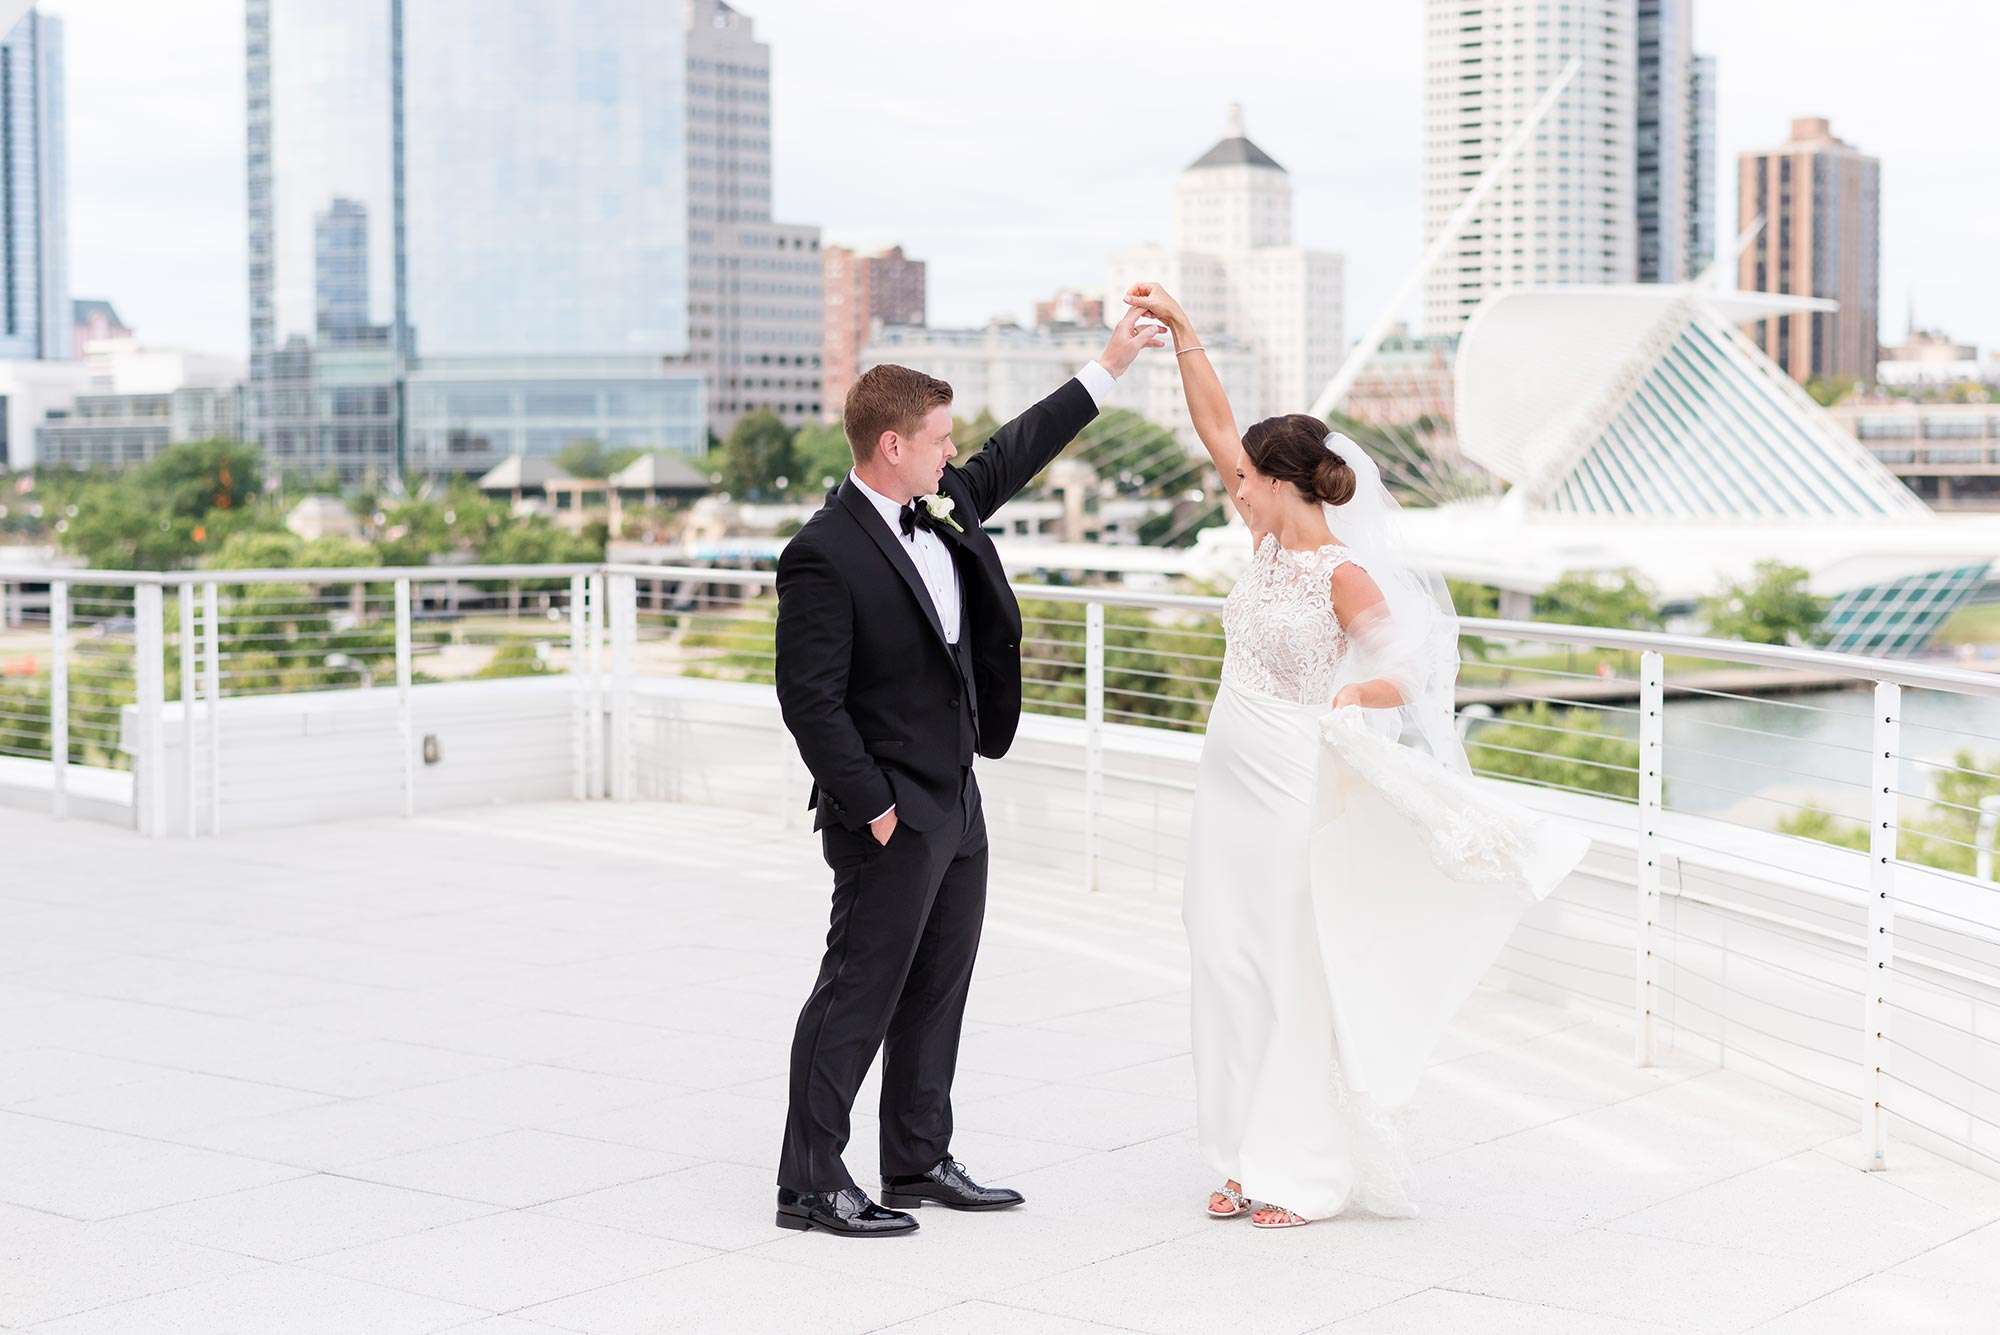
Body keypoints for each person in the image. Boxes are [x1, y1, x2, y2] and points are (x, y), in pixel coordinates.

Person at [1124, 280, 1589, 1229]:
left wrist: (1351, 692)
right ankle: (1234, 1153)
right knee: (1223, 955)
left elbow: (1409, 673)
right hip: (1228, 782)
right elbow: (1218, 425)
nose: (1231, 484)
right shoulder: (1260, 537)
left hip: (1295, 777)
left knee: (1289, 963)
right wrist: (1185, 331)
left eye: (1246, 476)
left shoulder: (1344, 572)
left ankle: (1296, 1168)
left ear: (1283, 482)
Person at [770, 310, 1164, 1236]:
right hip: (889, 812)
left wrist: (1106, 367)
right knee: (856, 991)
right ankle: (809, 1180)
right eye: (941, 439)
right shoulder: (821, 553)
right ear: (892, 444)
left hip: (958, 796)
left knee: (939, 985)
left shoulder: (944, 503)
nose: (957, 454)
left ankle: (914, 1157)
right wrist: (870, 808)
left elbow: (1017, 448)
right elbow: (809, 701)